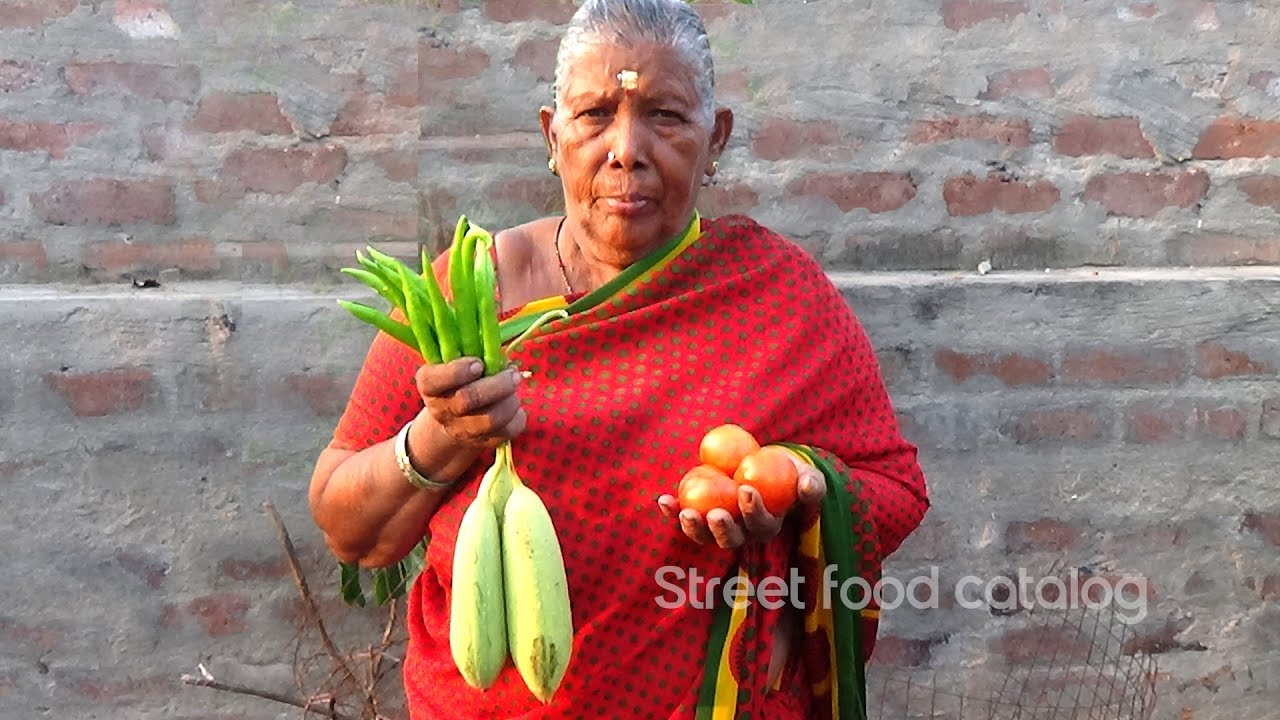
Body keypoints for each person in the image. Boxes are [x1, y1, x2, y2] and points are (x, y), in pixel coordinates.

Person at [308, 0, 929, 717]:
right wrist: (442, 435)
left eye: (665, 116)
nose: (626, 149)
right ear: (553, 136)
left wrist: (798, 488)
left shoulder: (778, 297)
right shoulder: (470, 295)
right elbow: (349, 530)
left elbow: (896, 487)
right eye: (594, 114)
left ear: (716, 138)